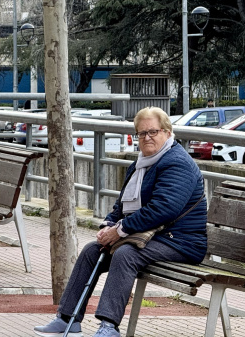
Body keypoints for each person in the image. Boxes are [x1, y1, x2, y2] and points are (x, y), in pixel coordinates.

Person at [34, 107, 207, 337]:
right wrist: (109, 225)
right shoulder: (140, 164)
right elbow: (122, 206)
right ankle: (67, 319)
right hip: (153, 237)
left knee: (126, 254)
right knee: (92, 250)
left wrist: (121, 229)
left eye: (153, 132)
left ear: (167, 132)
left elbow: (164, 209)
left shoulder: (177, 163)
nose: (147, 137)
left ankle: (109, 326)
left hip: (182, 242)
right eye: (141, 133)